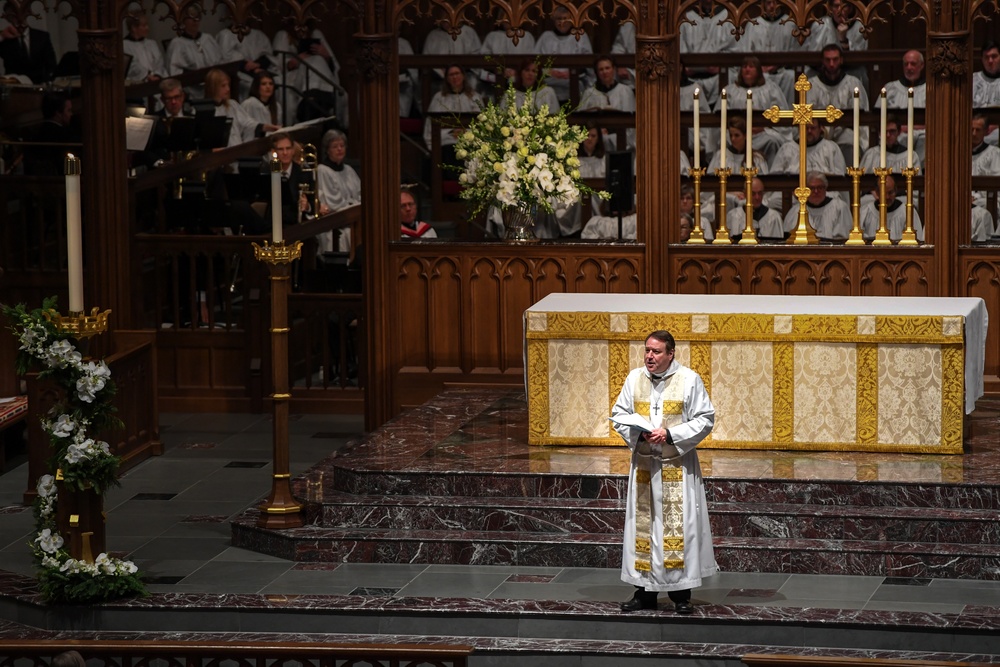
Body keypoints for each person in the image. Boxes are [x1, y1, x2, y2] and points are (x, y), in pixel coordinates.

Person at [612, 330, 716, 615]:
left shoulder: (689, 380)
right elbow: (619, 414)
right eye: (647, 350)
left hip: (676, 467)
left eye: (656, 352)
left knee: (677, 528)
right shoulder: (634, 379)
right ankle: (643, 593)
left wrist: (670, 434)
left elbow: (705, 418)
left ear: (671, 354)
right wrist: (639, 434)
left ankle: (680, 593)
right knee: (643, 527)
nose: (649, 356)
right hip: (646, 465)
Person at [807, 43, 869, 156]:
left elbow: (861, 116)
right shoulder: (811, 85)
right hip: (819, 133)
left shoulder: (853, 84)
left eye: (835, 60)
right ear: (822, 61)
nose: (831, 64)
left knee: (851, 141)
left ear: (841, 60)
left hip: (845, 133)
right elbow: (807, 115)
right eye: (828, 60)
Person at [423, 65, 482, 166]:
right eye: (451, 74)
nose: (454, 77)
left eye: (457, 73)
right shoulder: (439, 98)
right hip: (445, 142)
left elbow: (480, 122)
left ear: (463, 76)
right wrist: (452, 132)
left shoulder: (474, 97)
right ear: (446, 78)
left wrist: (464, 132)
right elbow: (431, 124)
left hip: (468, 141)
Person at [535, 6, 594, 104]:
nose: (562, 22)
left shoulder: (580, 36)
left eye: (565, 18)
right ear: (554, 20)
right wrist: (550, 72)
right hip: (550, 81)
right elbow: (535, 61)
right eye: (559, 19)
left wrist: (572, 72)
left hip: (574, 80)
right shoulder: (546, 37)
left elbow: (588, 64)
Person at [579, 55, 635, 151]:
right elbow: (580, 120)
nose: (604, 72)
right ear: (597, 72)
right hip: (595, 141)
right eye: (601, 69)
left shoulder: (625, 91)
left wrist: (611, 131)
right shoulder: (589, 93)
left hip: (620, 140)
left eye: (607, 68)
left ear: (614, 69)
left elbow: (632, 123)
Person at [317, 128, 361, 253]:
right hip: (335, 223)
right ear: (327, 150)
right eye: (335, 146)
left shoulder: (348, 169)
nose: (340, 149)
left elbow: (360, 193)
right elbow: (333, 203)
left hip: (353, 218)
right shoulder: (323, 170)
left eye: (342, 145)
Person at [782, 171, 852, 242]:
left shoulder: (840, 207)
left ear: (825, 188)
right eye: (812, 188)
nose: (816, 191)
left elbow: (843, 240)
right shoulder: (796, 211)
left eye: (820, 187)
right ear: (806, 190)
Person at [0, 2, 57, 84]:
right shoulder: (5, 39)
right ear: (7, 18)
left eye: (19, 13)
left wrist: (48, 81)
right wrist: (1, 36)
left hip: (39, 85)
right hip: (14, 86)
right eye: (12, 16)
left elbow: (51, 64)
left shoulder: (41, 36)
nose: (18, 18)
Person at [769, 119, 847, 178]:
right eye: (806, 128)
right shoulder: (786, 149)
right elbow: (775, 179)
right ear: (799, 129)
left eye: (813, 128)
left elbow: (840, 178)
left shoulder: (831, 148)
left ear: (820, 129)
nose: (809, 131)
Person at [24, 91, 76, 176]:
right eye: (69, 110)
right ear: (58, 113)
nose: (71, 114)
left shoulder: (34, 133)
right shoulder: (64, 136)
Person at [860, 174, 923, 244]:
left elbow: (917, 241)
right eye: (884, 193)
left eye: (890, 193)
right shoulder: (866, 212)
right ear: (877, 193)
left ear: (896, 191)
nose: (887, 197)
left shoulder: (908, 212)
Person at [164, 4, 222, 78]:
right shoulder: (177, 43)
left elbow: (221, 61)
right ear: (183, 21)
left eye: (197, 17)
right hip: (191, 84)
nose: (195, 21)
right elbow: (173, 71)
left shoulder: (208, 38)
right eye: (191, 18)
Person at [725, 176, 784, 242]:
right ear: (745, 194)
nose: (757, 197)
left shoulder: (774, 217)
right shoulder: (733, 216)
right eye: (753, 193)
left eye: (760, 193)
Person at [123, 10, 166, 84]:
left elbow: (159, 62)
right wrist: (147, 75)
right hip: (137, 84)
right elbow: (133, 66)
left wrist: (157, 75)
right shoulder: (124, 45)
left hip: (156, 81)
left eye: (147, 25)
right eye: (144, 25)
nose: (147, 28)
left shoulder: (151, 43)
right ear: (134, 28)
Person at [971, 112, 1000, 209]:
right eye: (971, 129)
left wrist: (975, 197)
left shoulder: (994, 153)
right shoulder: (959, 154)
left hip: (986, 200)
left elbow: (996, 184)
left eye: (978, 130)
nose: (974, 133)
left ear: (986, 131)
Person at [973, 40, 1000, 110]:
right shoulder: (972, 81)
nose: (990, 61)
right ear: (982, 59)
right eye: (986, 57)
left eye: (994, 56)